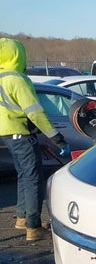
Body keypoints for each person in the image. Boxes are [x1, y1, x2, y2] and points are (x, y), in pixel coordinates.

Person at [0, 37, 68, 241]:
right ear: (17, 55)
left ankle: (22, 217)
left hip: (8, 134)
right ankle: (33, 227)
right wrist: (57, 138)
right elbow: (35, 112)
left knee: (23, 174)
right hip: (22, 133)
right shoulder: (17, 79)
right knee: (33, 178)